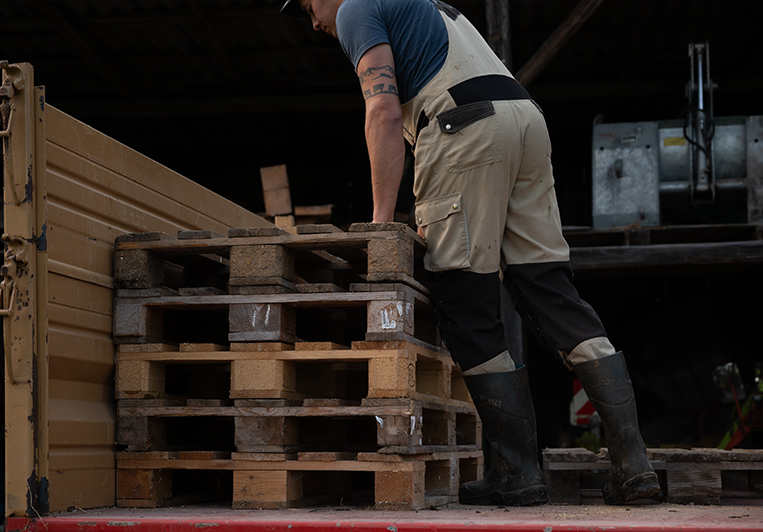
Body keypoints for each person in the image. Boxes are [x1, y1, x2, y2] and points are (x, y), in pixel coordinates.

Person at [281, 0, 660, 506]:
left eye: (308, 6)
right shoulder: (431, 4)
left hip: (464, 127)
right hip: (526, 121)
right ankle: (634, 464)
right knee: (547, 288)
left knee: (464, 297)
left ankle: (518, 473)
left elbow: (383, 109)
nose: (314, 22)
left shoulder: (354, 9)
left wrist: (378, 222)